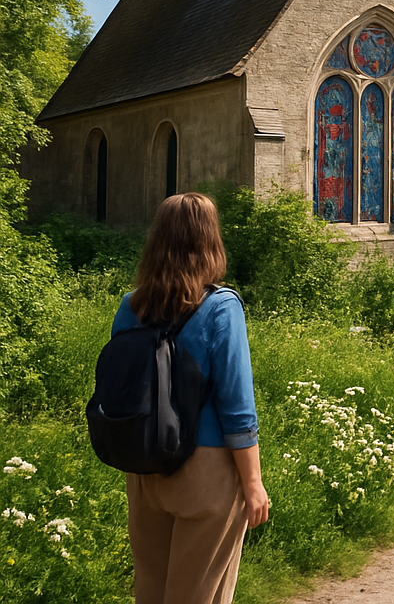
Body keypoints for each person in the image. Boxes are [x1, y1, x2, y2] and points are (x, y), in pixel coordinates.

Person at [111, 192, 269, 604]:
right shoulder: (221, 307)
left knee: (151, 591)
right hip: (207, 470)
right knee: (198, 595)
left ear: (157, 240)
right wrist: (253, 483)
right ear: (209, 241)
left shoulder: (130, 307)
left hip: (144, 466)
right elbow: (237, 407)